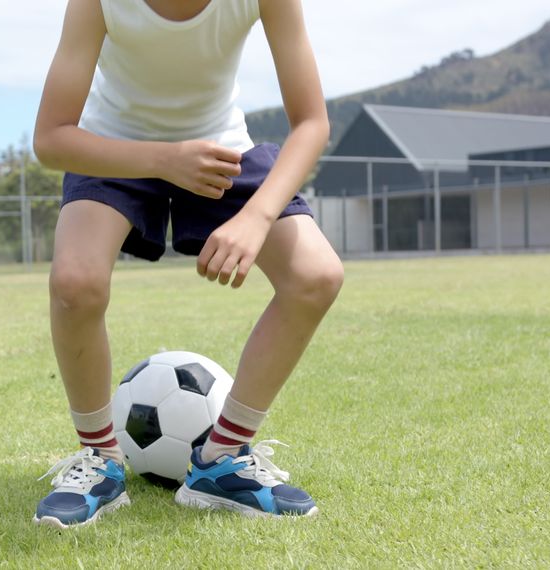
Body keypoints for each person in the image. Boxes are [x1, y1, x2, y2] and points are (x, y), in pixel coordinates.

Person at [32, 0, 343, 528]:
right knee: (74, 283)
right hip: (116, 150)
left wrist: (257, 216)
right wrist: (162, 158)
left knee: (316, 275)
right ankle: (100, 460)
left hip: (220, 150)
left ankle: (221, 461)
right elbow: (51, 138)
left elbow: (312, 122)